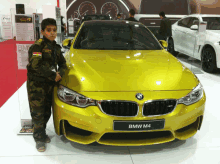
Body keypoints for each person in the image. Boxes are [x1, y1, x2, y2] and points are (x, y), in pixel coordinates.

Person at [26, 18, 67, 152]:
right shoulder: (37, 47)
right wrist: (52, 75)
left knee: (46, 112)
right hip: (36, 85)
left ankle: (42, 133)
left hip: (49, 84)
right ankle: (39, 138)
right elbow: (35, 65)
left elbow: (63, 64)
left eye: (54, 30)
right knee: (37, 112)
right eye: (48, 30)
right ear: (42, 31)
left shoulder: (55, 47)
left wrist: (60, 73)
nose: (52, 33)